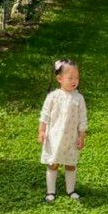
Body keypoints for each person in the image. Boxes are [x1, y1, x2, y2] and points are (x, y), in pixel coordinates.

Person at [38, 58, 87, 203]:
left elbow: (83, 119)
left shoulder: (79, 98)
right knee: (53, 164)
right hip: (54, 138)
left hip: (71, 139)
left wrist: (81, 136)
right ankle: (50, 192)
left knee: (71, 164)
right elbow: (45, 115)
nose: (74, 81)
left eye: (77, 77)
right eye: (70, 77)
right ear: (59, 78)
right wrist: (41, 131)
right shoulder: (53, 97)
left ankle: (70, 190)